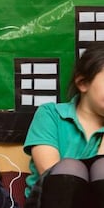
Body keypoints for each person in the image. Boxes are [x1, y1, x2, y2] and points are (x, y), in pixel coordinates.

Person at [23, 42, 104, 208]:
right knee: (70, 167)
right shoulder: (51, 114)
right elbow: (52, 173)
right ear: (82, 83)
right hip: (54, 198)